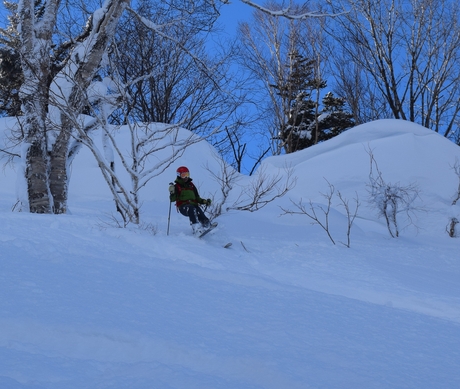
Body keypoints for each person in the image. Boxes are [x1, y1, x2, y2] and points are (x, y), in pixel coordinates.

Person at [169, 166, 214, 235]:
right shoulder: (177, 186)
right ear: (179, 176)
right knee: (191, 208)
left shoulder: (191, 185)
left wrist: (204, 201)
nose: (186, 177)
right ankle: (196, 229)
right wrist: (172, 192)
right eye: (183, 175)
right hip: (183, 207)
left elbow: (197, 197)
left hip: (193, 206)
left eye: (187, 174)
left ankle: (207, 225)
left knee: (198, 210)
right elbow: (172, 199)